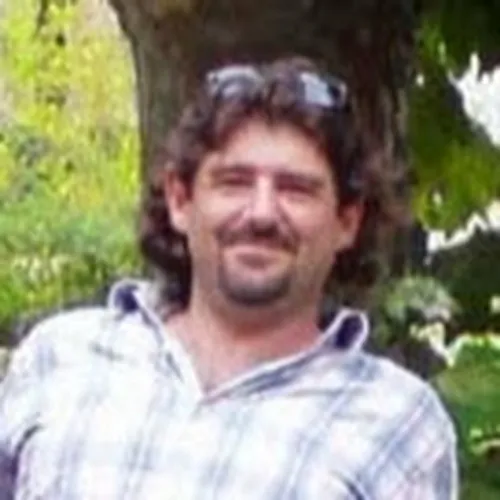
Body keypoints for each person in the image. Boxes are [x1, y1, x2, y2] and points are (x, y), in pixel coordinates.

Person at [0, 57, 457, 499]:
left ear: (347, 221)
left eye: (296, 189)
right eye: (234, 182)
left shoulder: (396, 424)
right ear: (180, 201)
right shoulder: (61, 357)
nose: (262, 213)